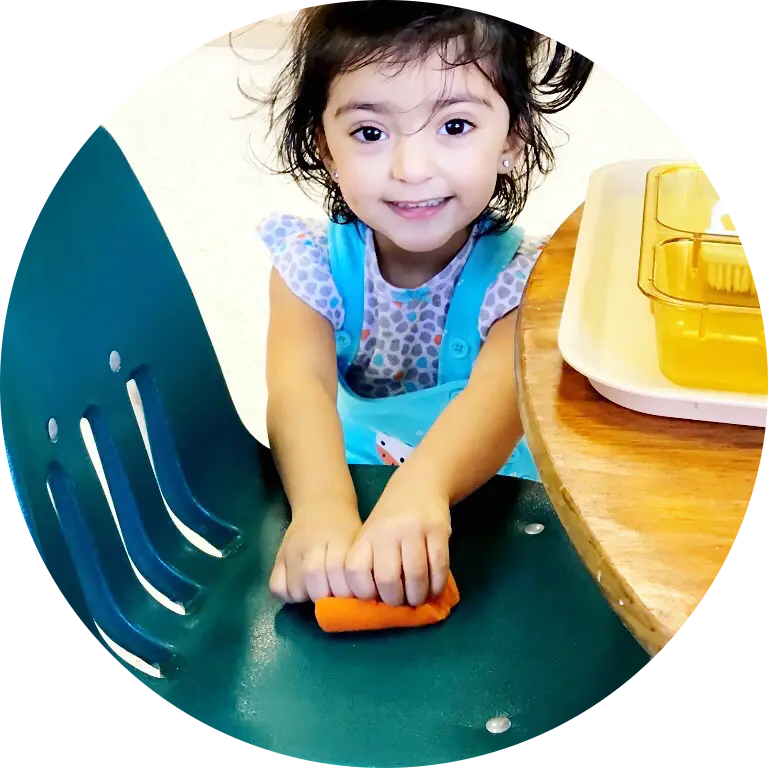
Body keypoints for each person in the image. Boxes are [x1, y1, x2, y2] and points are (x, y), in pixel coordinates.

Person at [247, 4, 593, 609]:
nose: (412, 170)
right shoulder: (309, 263)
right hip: (349, 477)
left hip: (494, 499)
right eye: (370, 133)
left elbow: (498, 401)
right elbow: (297, 388)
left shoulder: (527, 282)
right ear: (323, 146)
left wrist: (423, 490)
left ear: (511, 138)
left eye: (454, 126)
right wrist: (323, 507)